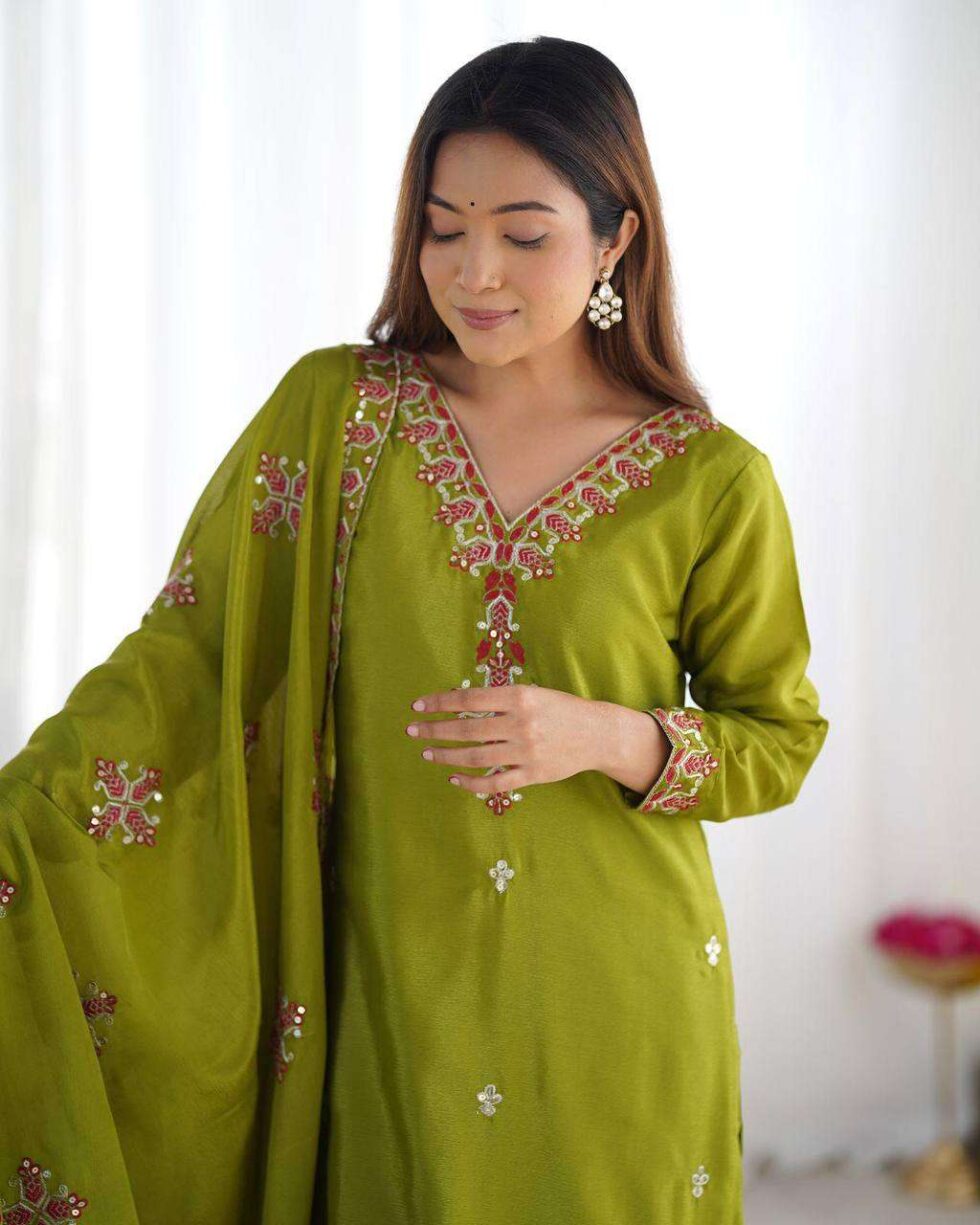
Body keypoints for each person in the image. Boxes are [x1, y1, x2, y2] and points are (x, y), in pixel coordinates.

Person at [0, 35, 828, 1225]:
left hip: (617, 997)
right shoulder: (340, 415)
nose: (473, 272)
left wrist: (605, 734)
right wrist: (29, 805)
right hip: (396, 988)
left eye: (524, 235)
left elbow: (779, 738)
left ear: (615, 239)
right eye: (444, 229)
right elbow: (191, 654)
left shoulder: (708, 479)